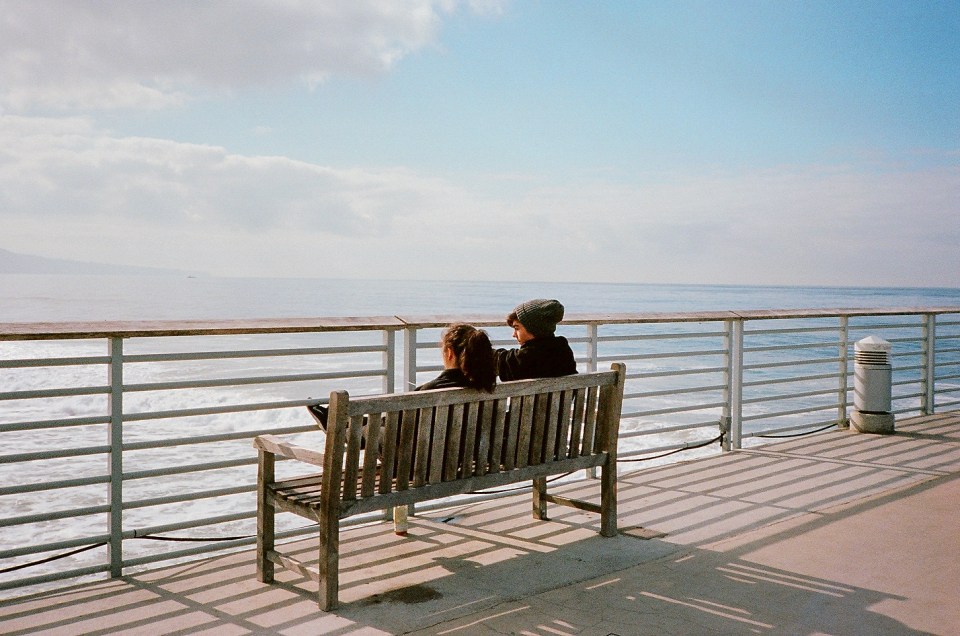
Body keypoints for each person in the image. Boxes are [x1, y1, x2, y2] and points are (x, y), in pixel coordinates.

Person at [308, 323, 496, 430]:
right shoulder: (487, 390)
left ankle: (336, 424)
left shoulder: (429, 392)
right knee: (384, 425)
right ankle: (344, 422)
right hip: (463, 465)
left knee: (381, 428)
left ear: (449, 353)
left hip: (417, 469)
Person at [495, 298, 577, 381]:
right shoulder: (563, 352)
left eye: (517, 328)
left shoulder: (525, 359)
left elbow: (498, 360)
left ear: (533, 328)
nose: (514, 335)